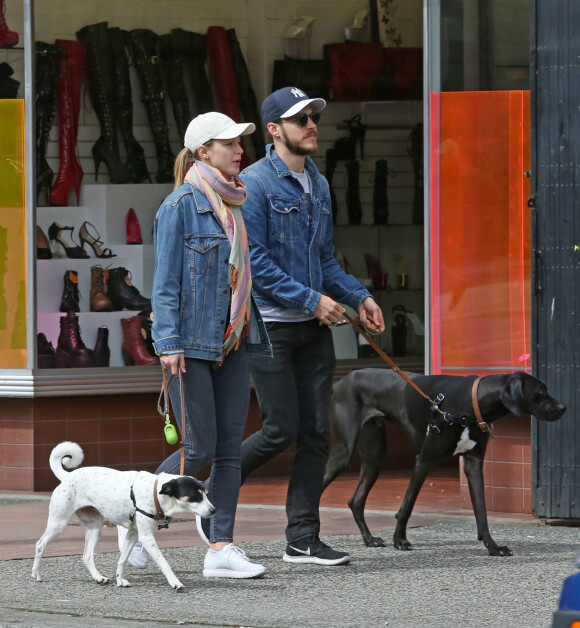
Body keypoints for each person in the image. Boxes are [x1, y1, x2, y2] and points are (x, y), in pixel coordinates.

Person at [119, 111, 272, 579]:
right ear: (204, 151)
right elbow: (164, 284)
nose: (240, 151)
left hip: (232, 339)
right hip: (189, 343)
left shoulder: (236, 202)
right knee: (199, 446)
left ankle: (220, 548)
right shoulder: (180, 205)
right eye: (230, 144)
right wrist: (166, 342)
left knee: (228, 449)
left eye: (240, 143)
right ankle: (139, 517)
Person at [239, 87, 385, 565]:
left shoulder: (318, 185)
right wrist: (311, 299)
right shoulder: (254, 183)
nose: (311, 125)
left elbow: (323, 259)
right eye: (300, 119)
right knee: (281, 429)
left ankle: (302, 539)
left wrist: (358, 296)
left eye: (313, 117)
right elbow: (253, 262)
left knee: (316, 435)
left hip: (313, 328)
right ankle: (211, 487)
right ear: (274, 130)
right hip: (270, 328)